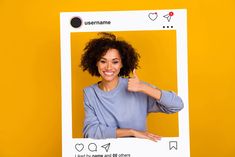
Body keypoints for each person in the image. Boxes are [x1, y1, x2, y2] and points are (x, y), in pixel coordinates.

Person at [80, 32, 184, 142]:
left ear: (122, 64)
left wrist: (143, 87)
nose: (109, 67)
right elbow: (90, 132)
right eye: (103, 61)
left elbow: (177, 105)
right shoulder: (90, 93)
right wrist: (131, 132)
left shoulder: (136, 86)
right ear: (96, 63)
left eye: (115, 62)